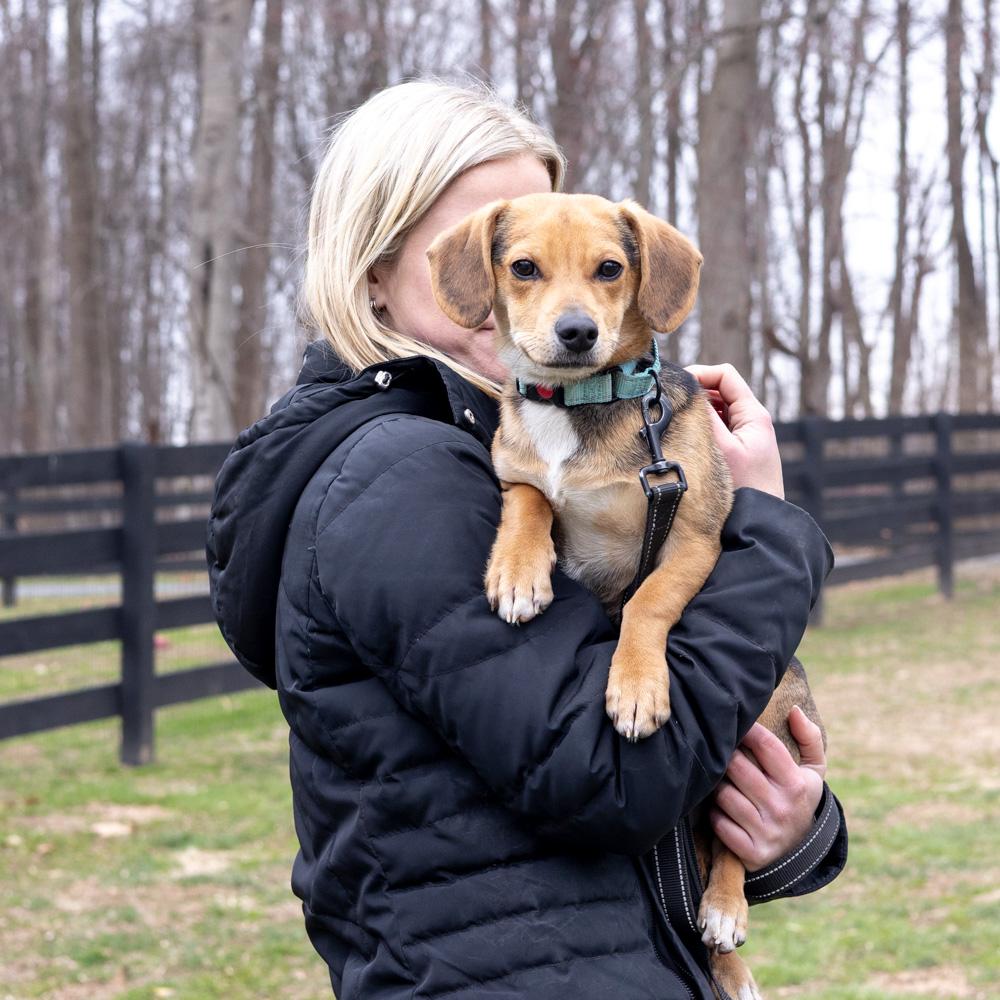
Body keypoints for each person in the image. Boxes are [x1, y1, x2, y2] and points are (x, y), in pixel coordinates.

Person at [208, 79, 847, 1000]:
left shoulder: (490, 436)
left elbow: (653, 766)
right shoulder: (398, 476)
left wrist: (787, 832)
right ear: (378, 268)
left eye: (587, 264)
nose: (560, 305)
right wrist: (769, 532)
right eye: (513, 263)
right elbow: (614, 775)